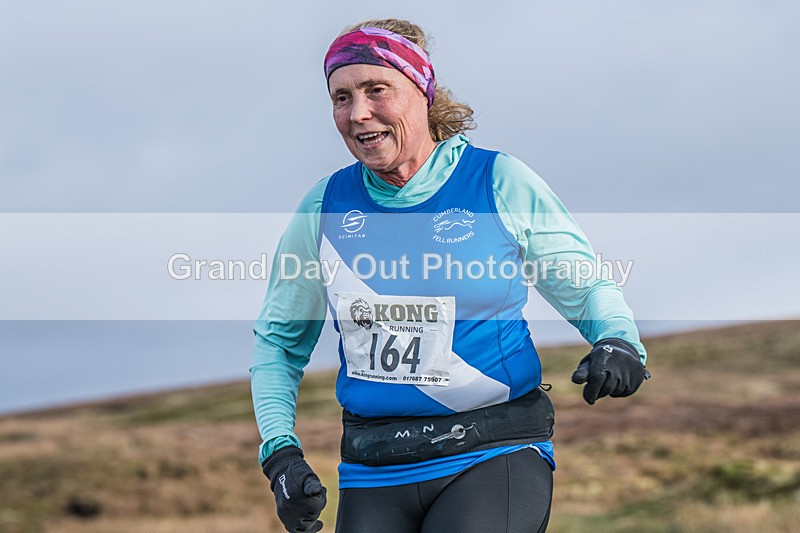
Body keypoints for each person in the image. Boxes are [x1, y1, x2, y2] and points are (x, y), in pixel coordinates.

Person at [251, 18, 649, 533]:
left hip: (492, 450)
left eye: (377, 90)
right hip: (373, 467)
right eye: (341, 97)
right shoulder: (324, 207)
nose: (359, 113)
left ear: (423, 90)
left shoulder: (496, 181)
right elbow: (279, 341)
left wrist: (617, 340)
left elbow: (585, 283)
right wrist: (280, 454)